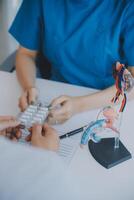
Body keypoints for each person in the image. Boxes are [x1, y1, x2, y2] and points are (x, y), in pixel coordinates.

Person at [9, 0, 134, 125]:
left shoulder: (128, 6)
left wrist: (78, 105)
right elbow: (26, 54)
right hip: (55, 96)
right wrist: (28, 87)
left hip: (110, 101)